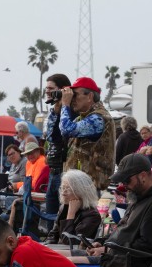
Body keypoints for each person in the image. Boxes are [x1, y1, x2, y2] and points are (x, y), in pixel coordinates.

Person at [85, 154, 152, 267]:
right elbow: (125, 233)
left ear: (143, 176)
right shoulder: (140, 197)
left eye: (127, 180)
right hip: (118, 259)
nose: (124, 185)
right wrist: (102, 243)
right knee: (63, 257)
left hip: (128, 266)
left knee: (68, 264)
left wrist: (108, 250)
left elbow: (149, 246)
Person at [60, 76, 116, 191]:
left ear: (90, 96)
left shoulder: (99, 118)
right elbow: (60, 132)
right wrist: (58, 107)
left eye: (75, 95)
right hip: (79, 185)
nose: (72, 99)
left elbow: (66, 129)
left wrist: (65, 105)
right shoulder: (83, 118)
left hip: (89, 186)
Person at [46, 169, 102, 246]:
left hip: (77, 253)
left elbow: (70, 241)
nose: (63, 192)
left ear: (81, 191)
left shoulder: (92, 215)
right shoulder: (64, 207)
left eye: (68, 188)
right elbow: (53, 235)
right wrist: (46, 246)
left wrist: (71, 214)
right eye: (63, 187)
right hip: (60, 249)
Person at [42, 73, 73, 215]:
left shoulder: (69, 111)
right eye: (46, 88)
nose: (47, 91)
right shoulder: (54, 111)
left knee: (61, 218)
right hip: (53, 171)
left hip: (64, 170)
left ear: (62, 90)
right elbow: (50, 138)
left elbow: (62, 135)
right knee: (50, 217)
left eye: (51, 88)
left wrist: (63, 106)